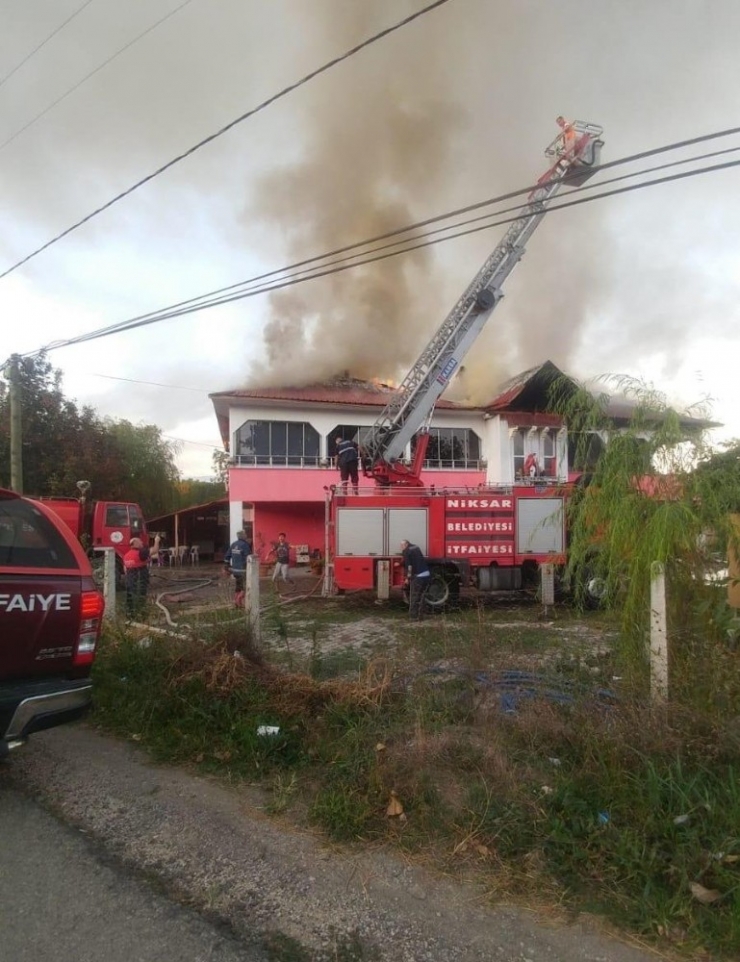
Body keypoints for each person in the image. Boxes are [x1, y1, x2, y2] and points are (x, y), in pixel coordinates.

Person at [400, 539, 430, 621]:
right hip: (426, 574)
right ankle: (422, 615)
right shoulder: (416, 547)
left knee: (414, 596)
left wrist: (408, 578)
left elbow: (409, 566)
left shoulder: (406, 551)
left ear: (405, 544)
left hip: (418, 576)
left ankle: (413, 617)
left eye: (401, 546)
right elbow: (415, 560)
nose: (401, 547)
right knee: (422, 596)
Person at [123, 536, 150, 620]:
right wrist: (156, 541)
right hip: (140, 578)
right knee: (141, 596)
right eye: (140, 541)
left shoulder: (126, 555)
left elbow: (125, 569)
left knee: (130, 596)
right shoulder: (141, 553)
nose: (142, 543)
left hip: (130, 579)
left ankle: (129, 615)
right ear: (135, 543)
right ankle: (142, 615)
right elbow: (155, 551)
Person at [223, 530, 252, 607]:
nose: (246, 535)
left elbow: (227, 556)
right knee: (245, 588)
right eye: (245, 534)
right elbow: (248, 558)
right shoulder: (245, 545)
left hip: (235, 571)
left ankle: (235, 602)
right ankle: (239, 600)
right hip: (243, 571)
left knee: (238, 586)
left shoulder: (233, 544)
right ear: (243, 536)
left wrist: (227, 566)